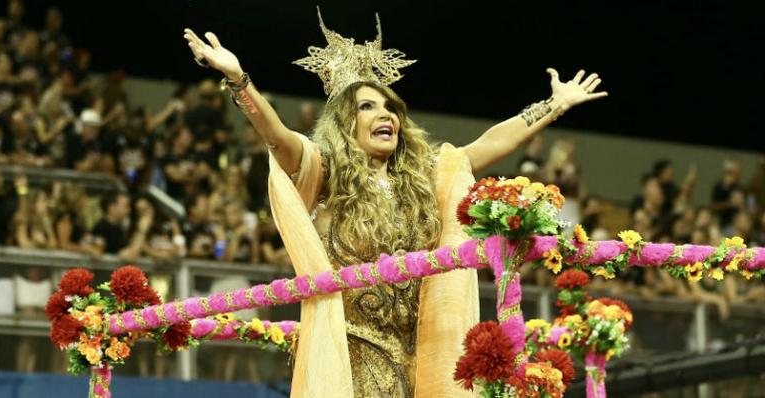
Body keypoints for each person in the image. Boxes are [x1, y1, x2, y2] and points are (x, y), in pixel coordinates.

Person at [183, 12, 606, 396]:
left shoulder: (424, 176)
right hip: (354, 349)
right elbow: (278, 137)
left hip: (420, 352)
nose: (385, 114)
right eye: (367, 106)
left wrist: (555, 105)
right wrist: (239, 81)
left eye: (390, 106)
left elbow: (485, 145)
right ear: (346, 123)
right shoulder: (326, 173)